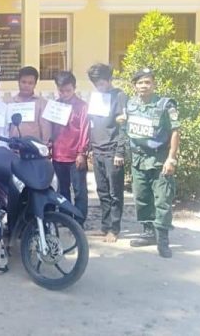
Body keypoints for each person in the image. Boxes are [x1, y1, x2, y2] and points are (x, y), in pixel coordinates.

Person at [126, 68, 181, 258]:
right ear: (135, 86)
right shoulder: (130, 104)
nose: (144, 86)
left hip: (159, 160)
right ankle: (149, 232)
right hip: (138, 159)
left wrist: (171, 158)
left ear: (154, 84)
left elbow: (175, 131)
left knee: (162, 200)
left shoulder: (166, 105)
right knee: (142, 198)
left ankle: (163, 239)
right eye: (140, 83)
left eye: (147, 82)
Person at [85, 64, 128, 243]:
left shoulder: (119, 96)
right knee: (102, 191)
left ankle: (114, 229)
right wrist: (90, 148)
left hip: (112, 151)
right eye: (96, 84)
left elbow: (124, 126)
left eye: (102, 83)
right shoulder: (95, 97)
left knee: (115, 192)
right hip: (97, 150)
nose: (99, 87)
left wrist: (120, 152)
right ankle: (104, 226)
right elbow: (92, 123)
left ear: (110, 79)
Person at [50, 71, 90, 226]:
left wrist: (81, 153)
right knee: (62, 190)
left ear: (74, 88)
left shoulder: (82, 106)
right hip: (58, 155)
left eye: (68, 90)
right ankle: (65, 218)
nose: (65, 94)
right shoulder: (55, 106)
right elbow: (51, 129)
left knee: (79, 190)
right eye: (61, 91)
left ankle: (79, 220)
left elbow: (85, 130)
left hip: (75, 156)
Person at [9, 66, 51, 143]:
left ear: (35, 84)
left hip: (33, 147)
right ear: (18, 82)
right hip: (14, 147)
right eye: (23, 82)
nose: (26, 85)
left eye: (30, 83)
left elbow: (45, 128)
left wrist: (45, 144)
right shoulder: (10, 103)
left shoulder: (42, 103)